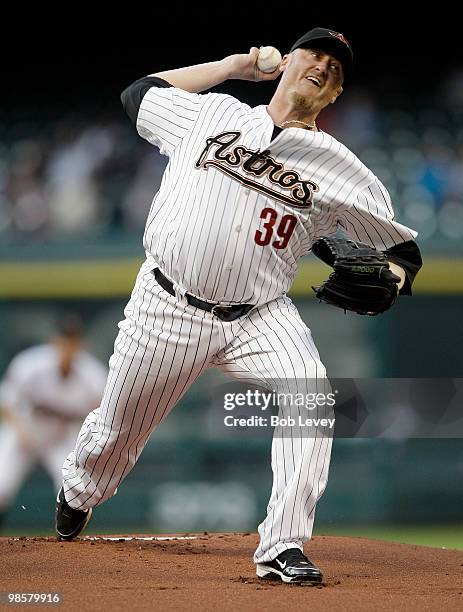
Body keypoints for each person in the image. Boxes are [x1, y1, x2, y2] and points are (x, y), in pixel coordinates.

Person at [56, 28, 422, 583]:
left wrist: (392, 276)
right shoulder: (214, 114)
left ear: (335, 94)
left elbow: (401, 249)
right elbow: (140, 94)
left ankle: (282, 545)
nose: (323, 66)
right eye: (314, 54)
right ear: (288, 62)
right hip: (166, 305)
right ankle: (79, 493)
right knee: (114, 435)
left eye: (336, 67)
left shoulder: (340, 167)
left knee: (310, 391)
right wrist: (231, 65)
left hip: (258, 316)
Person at [0, 316, 108, 532]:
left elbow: (103, 413)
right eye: (63, 341)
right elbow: (5, 404)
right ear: (54, 342)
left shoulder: (93, 375)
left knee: (72, 489)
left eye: (72, 342)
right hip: (25, 432)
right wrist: (20, 430)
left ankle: (69, 538)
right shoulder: (30, 364)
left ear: (80, 345)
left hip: (60, 438)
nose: (67, 348)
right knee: (2, 484)